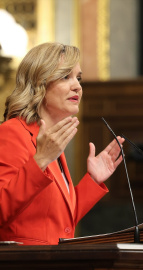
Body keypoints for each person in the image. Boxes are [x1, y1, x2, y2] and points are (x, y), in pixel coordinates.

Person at [0, 42, 124, 245]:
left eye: (79, 78)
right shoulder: (12, 133)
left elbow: (60, 221)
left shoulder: (52, 141)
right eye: (65, 76)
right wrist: (39, 161)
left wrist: (92, 180)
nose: (77, 86)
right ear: (39, 83)